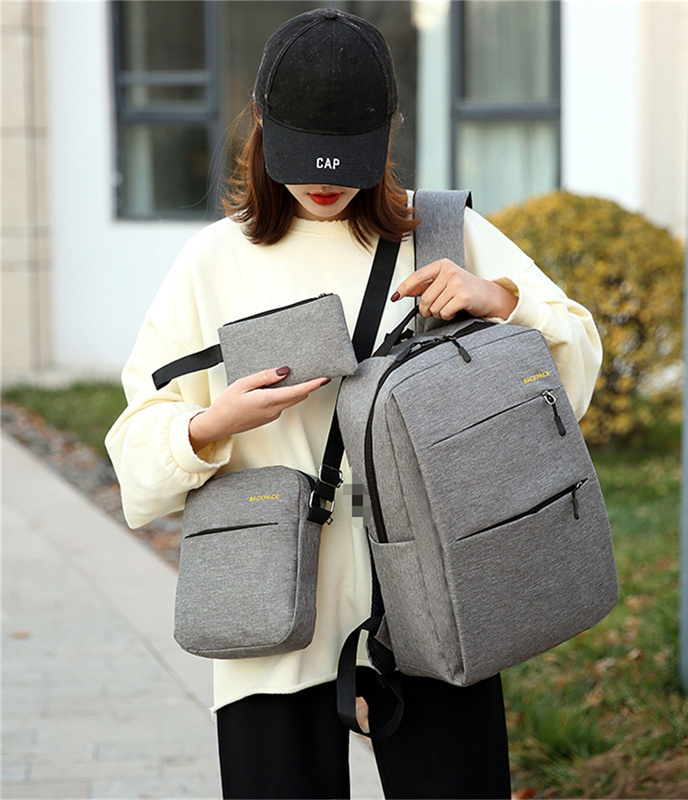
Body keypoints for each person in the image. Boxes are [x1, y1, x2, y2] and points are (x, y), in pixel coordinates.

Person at [106, 8, 602, 800]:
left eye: (348, 157)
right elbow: (135, 453)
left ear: (390, 130)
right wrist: (209, 427)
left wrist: (502, 299)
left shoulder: (442, 234)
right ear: (261, 125)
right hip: (274, 612)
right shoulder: (212, 263)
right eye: (305, 155)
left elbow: (571, 376)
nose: (326, 181)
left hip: (439, 603)